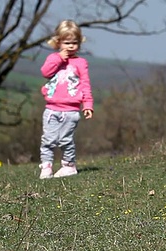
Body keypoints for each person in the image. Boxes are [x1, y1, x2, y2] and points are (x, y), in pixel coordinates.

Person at [39, 20, 93, 179]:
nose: (70, 46)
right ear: (58, 42)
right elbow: (45, 72)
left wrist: (88, 105)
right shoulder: (53, 58)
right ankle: (46, 166)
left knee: (65, 140)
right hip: (51, 108)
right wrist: (59, 59)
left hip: (71, 110)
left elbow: (85, 84)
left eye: (74, 43)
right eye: (67, 42)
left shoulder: (81, 63)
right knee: (48, 139)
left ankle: (69, 166)